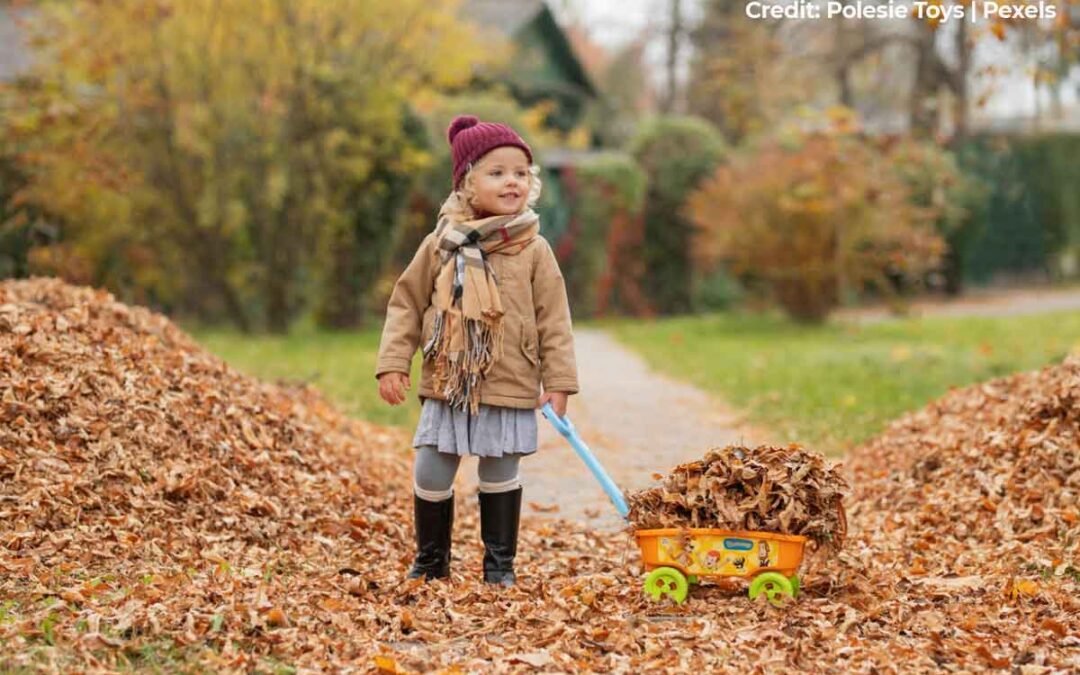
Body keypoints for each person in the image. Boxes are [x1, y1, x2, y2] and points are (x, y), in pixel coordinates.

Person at [375, 115, 579, 586]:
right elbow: (406, 304)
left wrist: (560, 383)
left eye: (521, 173)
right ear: (468, 185)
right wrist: (392, 363)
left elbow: (554, 319)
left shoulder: (534, 249)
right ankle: (431, 561)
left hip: (509, 378)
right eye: (497, 172)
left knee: (501, 470)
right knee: (431, 465)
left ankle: (499, 565)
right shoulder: (441, 245)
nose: (512, 181)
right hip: (449, 379)